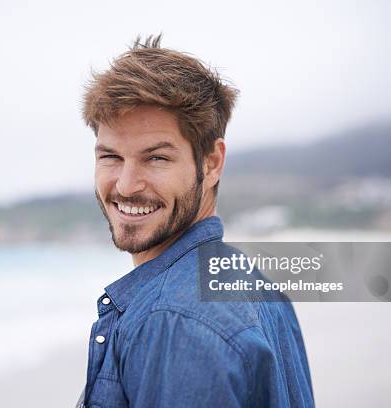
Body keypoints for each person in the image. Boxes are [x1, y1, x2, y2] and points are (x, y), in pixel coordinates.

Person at [77, 34, 314, 407]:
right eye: (110, 157)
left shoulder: (174, 320)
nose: (125, 185)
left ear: (212, 162)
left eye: (156, 158)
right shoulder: (249, 280)